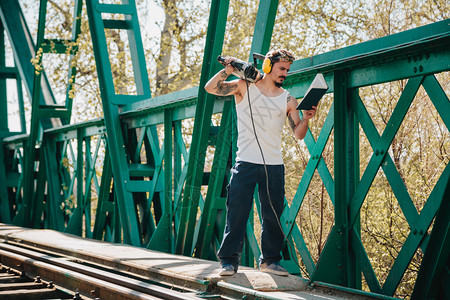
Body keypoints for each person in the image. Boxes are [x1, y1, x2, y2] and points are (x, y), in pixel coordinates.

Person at [204, 49, 317, 276]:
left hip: (274, 164)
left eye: (287, 70)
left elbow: (299, 134)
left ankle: (270, 261)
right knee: (237, 212)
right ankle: (228, 262)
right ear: (267, 66)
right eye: (281, 68)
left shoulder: (288, 99)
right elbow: (210, 88)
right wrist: (226, 71)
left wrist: (305, 119)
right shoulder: (244, 87)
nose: (285, 73)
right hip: (245, 161)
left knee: (273, 215)